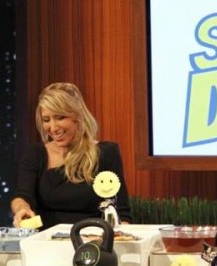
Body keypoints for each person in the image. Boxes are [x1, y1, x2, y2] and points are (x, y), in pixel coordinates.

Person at [10, 82, 132, 229]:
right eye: (46, 120)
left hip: (93, 238)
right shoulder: (35, 154)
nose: (53, 128)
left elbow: (121, 212)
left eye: (60, 118)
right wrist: (21, 208)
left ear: (77, 116)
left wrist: (119, 237)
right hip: (46, 239)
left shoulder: (106, 153)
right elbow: (22, 195)